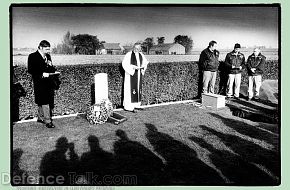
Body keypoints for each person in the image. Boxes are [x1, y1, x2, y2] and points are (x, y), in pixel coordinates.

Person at [28, 40, 58, 128]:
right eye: (47, 49)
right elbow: (30, 70)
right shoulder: (32, 56)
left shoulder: (48, 56)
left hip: (48, 82)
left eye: (49, 49)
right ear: (40, 47)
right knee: (45, 101)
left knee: (43, 100)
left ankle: (40, 118)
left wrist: (53, 70)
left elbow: (50, 68)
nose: (49, 51)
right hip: (39, 83)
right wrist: (41, 74)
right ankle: (48, 121)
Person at [122, 42, 149, 112]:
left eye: (138, 48)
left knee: (137, 89)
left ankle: (137, 105)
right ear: (133, 47)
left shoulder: (141, 55)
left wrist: (143, 67)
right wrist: (132, 67)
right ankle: (129, 107)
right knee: (130, 90)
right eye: (135, 48)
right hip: (131, 75)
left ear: (140, 48)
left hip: (138, 75)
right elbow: (124, 64)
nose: (137, 49)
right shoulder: (128, 55)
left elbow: (145, 63)